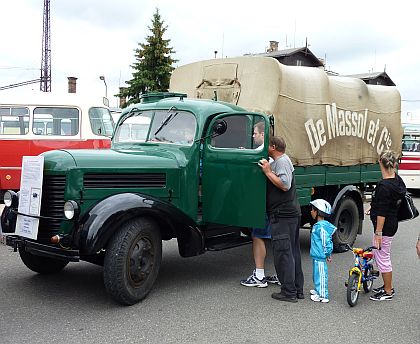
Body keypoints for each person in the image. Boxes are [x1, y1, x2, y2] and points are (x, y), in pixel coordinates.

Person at [258, 136, 304, 302]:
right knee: (292, 252)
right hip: (288, 214)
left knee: (284, 252)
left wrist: (268, 172)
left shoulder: (282, 161)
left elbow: (285, 184)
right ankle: (297, 289)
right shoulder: (280, 160)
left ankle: (289, 292)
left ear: (273, 146)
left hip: (283, 215)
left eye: (267, 145)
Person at [241, 122, 278, 287]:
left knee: (259, 236)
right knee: (271, 236)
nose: (253, 136)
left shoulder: (263, 154)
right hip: (268, 201)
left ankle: (260, 276)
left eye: (255, 133)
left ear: (263, 135)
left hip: (263, 201)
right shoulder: (266, 152)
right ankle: (279, 274)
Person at [365, 150, 406, 301]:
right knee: (380, 254)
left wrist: (378, 232)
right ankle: (386, 286)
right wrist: (373, 207)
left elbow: (382, 211)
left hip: (385, 226)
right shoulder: (397, 180)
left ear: (380, 164)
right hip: (392, 222)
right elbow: (387, 203)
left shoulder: (384, 186)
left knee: (383, 258)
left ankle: (388, 291)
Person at [308, 199, 336, 303]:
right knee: (316, 274)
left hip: (320, 256)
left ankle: (323, 295)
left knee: (321, 275)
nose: (311, 212)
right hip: (316, 255)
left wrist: (328, 254)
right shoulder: (318, 225)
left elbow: (326, 242)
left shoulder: (322, 227)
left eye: (313, 210)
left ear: (317, 212)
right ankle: (317, 290)